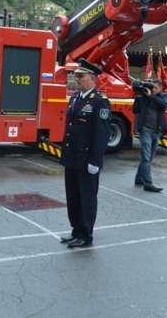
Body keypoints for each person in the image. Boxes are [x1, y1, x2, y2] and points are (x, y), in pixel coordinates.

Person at [59, 58, 110, 249]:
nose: (77, 79)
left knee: (87, 198)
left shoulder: (99, 102)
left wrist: (95, 160)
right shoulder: (75, 98)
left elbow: (101, 134)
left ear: (92, 78)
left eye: (81, 76)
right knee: (72, 197)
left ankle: (86, 234)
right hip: (72, 157)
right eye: (76, 75)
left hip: (87, 159)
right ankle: (76, 231)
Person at [133, 78, 167, 192]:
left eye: (155, 88)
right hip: (145, 130)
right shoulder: (143, 97)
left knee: (148, 158)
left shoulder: (163, 96)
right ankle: (148, 183)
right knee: (146, 157)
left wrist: (151, 96)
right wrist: (139, 96)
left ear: (160, 88)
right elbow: (135, 110)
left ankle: (139, 178)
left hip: (156, 131)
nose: (153, 89)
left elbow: (163, 105)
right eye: (152, 87)